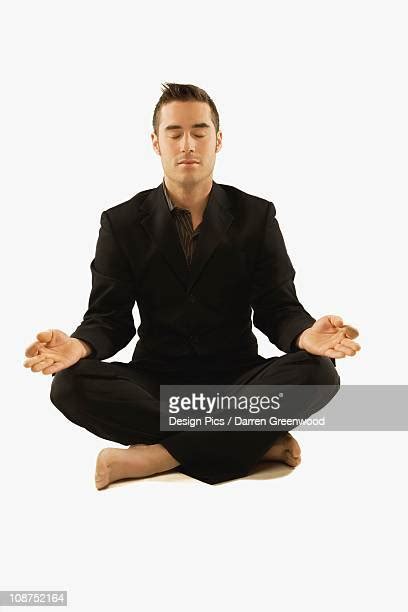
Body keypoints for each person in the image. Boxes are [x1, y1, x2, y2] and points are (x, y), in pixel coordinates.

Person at [23, 82, 360, 489]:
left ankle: (158, 456)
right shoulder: (122, 222)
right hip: (157, 385)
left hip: (238, 378)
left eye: (200, 133)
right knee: (70, 386)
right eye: (175, 133)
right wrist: (77, 347)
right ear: (155, 142)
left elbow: (277, 306)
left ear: (217, 141)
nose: (188, 144)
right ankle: (251, 441)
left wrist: (306, 335)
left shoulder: (256, 215)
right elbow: (108, 319)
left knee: (320, 373)